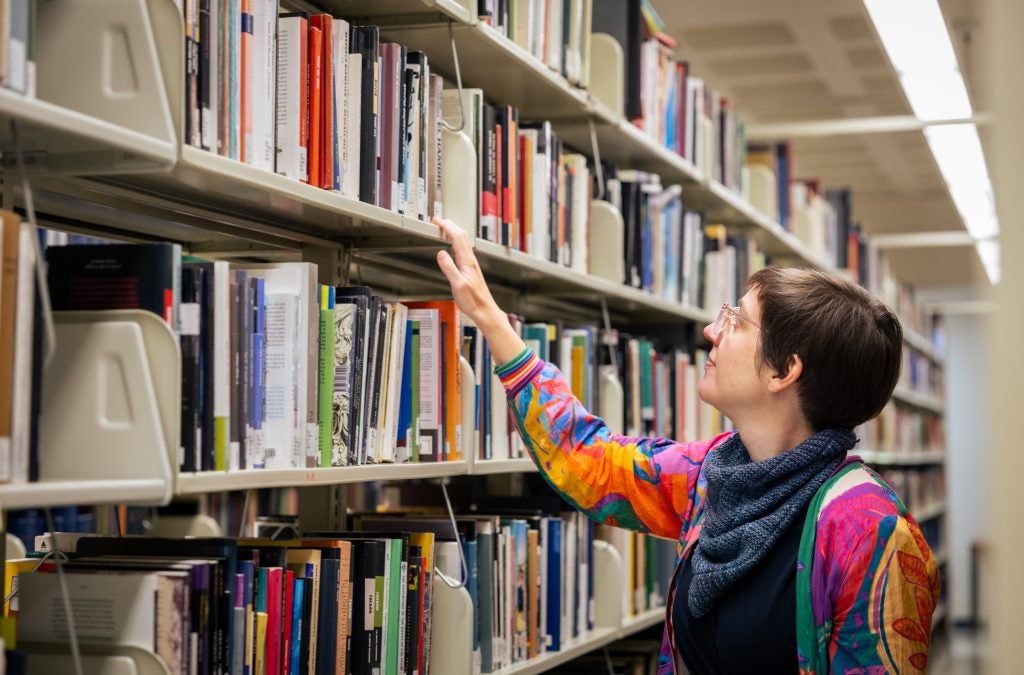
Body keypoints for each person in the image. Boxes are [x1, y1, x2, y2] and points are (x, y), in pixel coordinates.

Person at [432, 216, 941, 674]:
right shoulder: (712, 475)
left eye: (736, 320)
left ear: (785, 371)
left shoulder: (870, 530)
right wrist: (490, 319)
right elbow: (590, 463)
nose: (710, 331)